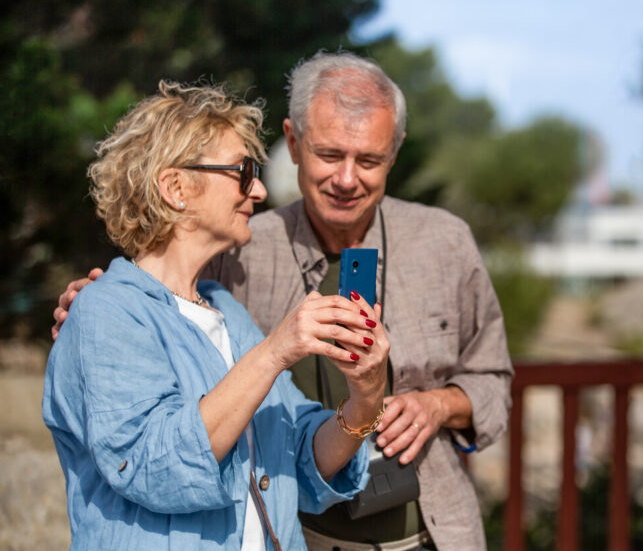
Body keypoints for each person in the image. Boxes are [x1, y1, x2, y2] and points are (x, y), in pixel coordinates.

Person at [53, 51, 513, 551]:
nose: (346, 178)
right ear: (293, 142)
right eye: (330, 155)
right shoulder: (235, 254)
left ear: (395, 151)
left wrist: (396, 401)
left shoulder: (444, 242)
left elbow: (299, 443)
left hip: (432, 533)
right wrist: (98, 304)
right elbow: (155, 292)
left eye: (370, 160)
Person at [43, 79, 390, 551]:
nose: (262, 190)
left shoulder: (225, 309)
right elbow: (154, 467)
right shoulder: (106, 312)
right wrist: (275, 351)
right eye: (244, 171)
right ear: (175, 187)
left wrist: (365, 395)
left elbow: (301, 453)